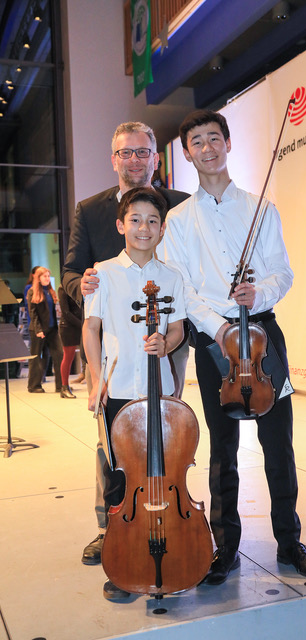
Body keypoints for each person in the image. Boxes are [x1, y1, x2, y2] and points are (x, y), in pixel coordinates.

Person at [163, 109, 306, 585]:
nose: (207, 148)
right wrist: (217, 327)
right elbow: (182, 287)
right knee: (223, 450)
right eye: (197, 142)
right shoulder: (178, 220)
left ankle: (290, 542)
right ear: (187, 153)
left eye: (214, 138)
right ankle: (226, 547)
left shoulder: (261, 207)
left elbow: (283, 272)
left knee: (279, 445)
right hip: (214, 341)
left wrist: (259, 294)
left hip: (262, 338)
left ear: (228, 143)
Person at [61, 121, 190, 565]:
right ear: (113, 158)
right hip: (115, 346)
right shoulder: (90, 209)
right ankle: (112, 528)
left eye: (143, 151)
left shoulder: (181, 206)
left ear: (156, 157)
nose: (134, 160)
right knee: (113, 448)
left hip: (166, 338)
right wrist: (84, 285)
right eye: (126, 152)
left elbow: (192, 272)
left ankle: (169, 519)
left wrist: (171, 340)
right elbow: (72, 271)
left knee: (169, 441)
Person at [83, 187, 186, 600]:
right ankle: (121, 558)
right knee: (119, 478)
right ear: (120, 225)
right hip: (119, 389)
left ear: (162, 229)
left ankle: (169, 542)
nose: (144, 228)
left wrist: (166, 343)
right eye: (136, 220)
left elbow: (177, 329)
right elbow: (91, 329)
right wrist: (96, 380)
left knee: (163, 473)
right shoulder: (103, 273)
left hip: (160, 391)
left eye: (153, 221)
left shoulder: (172, 276)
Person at [27, 267, 63, 393]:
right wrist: (38, 330)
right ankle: (34, 386)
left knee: (59, 354)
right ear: (38, 278)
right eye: (45, 276)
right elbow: (33, 313)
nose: (47, 278)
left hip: (52, 329)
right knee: (36, 357)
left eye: (48, 276)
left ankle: (61, 385)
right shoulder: (32, 291)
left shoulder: (49, 291)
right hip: (38, 330)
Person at [57, 285, 83, 398]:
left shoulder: (80, 285)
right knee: (68, 357)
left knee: (88, 355)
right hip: (68, 327)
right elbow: (66, 312)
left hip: (81, 324)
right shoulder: (62, 289)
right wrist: (82, 324)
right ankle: (64, 387)